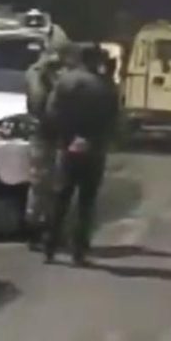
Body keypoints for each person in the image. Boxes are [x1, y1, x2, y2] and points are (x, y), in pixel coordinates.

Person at [43, 45, 120, 266]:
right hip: (94, 148)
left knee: (60, 198)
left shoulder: (65, 82)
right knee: (86, 202)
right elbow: (113, 118)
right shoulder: (105, 86)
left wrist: (65, 137)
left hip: (67, 146)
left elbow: (51, 111)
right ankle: (79, 251)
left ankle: (50, 246)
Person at [23, 44, 73, 248]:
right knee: (45, 184)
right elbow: (38, 102)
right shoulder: (39, 75)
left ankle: (45, 229)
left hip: (51, 135)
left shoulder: (42, 74)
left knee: (49, 184)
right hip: (46, 134)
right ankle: (40, 229)